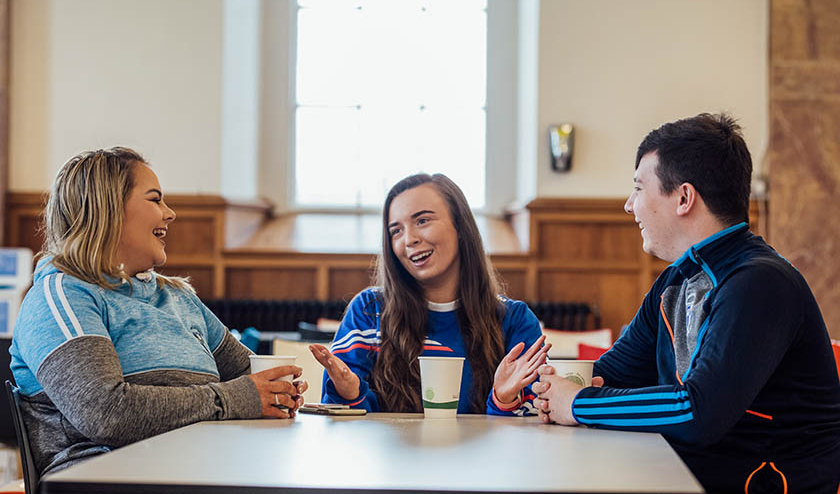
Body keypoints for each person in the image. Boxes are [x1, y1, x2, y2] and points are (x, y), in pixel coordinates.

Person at [533, 113, 840, 493]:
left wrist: (578, 404)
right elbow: (609, 373)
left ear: (683, 198)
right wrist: (540, 386)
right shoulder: (675, 280)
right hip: (682, 477)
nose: (630, 206)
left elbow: (698, 410)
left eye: (639, 188)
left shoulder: (760, 283)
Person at [9, 147, 307, 476]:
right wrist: (232, 399)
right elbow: (106, 414)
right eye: (155, 200)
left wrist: (283, 392)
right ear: (108, 208)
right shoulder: (61, 295)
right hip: (110, 478)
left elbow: (251, 379)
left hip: (204, 468)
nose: (170, 214)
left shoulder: (178, 296)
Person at [309, 173, 549, 414]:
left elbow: (533, 421)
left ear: (460, 226)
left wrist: (503, 400)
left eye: (422, 221)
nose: (409, 239)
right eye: (396, 231)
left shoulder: (514, 319)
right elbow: (340, 424)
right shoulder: (368, 310)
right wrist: (351, 393)